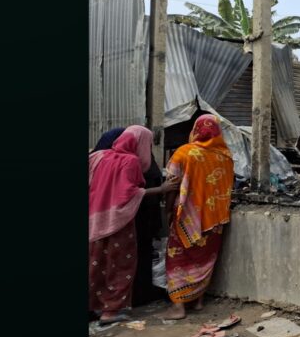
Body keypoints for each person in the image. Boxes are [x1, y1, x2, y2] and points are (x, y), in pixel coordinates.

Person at [90, 126, 180, 324]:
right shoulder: (131, 161)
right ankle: (111, 311)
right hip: (118, 221)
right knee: (120, 265)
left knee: (98, 263)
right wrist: (162, 189)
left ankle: (96, 307)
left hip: (95, 220)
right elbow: (129, 193)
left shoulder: (99, 156)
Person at [162, 114, 235, 320]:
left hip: (187, 216)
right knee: (204, 259)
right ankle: (199, 301)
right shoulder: (226, 156)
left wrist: (168, 210)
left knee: (177, 257)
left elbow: (172, 185)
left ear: (195, 130)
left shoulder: (184, 152)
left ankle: (178, 307)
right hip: (215, 219)